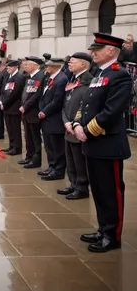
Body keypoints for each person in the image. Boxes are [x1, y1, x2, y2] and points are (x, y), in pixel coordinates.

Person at [73, 33, 133, 252]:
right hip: (92, 142)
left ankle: (112, 235)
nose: (92, 52)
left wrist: (87, 131)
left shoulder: (120, 75)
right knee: (98, 189)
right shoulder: (98, 74)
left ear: (111, 51)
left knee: (111, 191)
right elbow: (86, 104)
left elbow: (112, 111)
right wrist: (78, 123)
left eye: (98, 49)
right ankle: (102, 228)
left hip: (107, 143)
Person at [60, 52, 93, 200]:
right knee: (71, 159)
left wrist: (75, 123)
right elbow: (66, 103)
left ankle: (81, 187)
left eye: (73, 61)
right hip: (68, 126)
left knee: (79, 161)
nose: (69, 64)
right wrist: (66, 121)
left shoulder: (89, 82)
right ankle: (73, 184)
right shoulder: (74, 80)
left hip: (78, 127)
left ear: (83, 64)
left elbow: (85, 105)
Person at [38, 58, 68, 181]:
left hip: (54, 118)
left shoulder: (61, 79)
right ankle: (51, 166)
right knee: (49, 145)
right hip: (46, 117)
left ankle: (58, 170)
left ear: (55, 67)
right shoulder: (50, 78)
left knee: (57, 147)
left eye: (48, 66)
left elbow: (57, 100)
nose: (46, 69)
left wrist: (45, 111)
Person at [19, 57, 45, 168]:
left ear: (36, 65)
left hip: (33, 111)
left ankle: (36, 159)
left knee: (35, 137)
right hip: (26, 111)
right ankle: (29, 156)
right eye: (26, 64)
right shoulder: (30, 77)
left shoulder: (40, 76)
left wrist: (25, 106)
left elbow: (36, 95)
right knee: (28, 136)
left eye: (29, 64)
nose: (26, 66)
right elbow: (26, 93)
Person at [0, 60, 25, 156]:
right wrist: (1, 100)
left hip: (14, 106)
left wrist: (4, 103)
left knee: (15, 128)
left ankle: (17, 148)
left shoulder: (19, 77)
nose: (7, 69)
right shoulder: (8, 76)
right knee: (9, 128)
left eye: (9, 67)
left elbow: (14, 93)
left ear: (15, 67)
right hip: (6, 106)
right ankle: (11, 145)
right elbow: (4, 90)